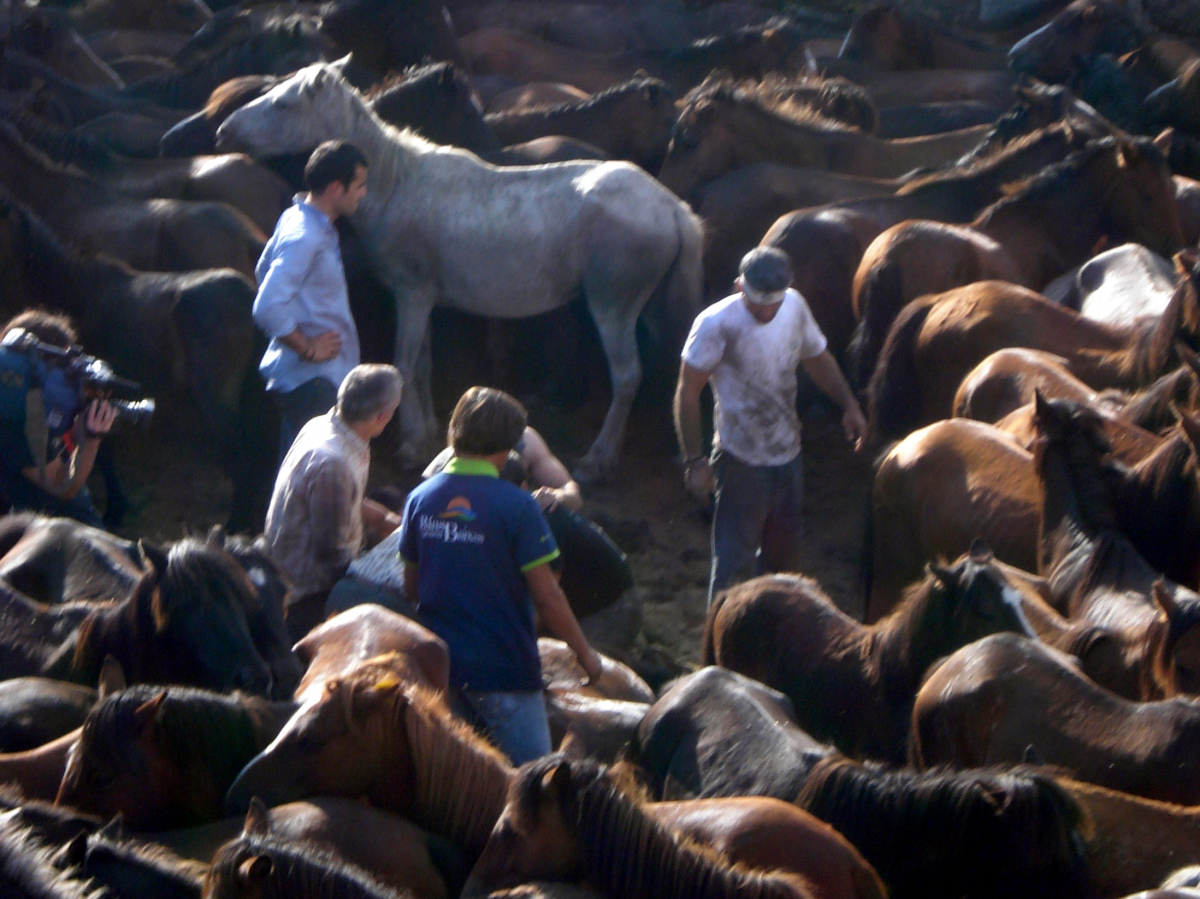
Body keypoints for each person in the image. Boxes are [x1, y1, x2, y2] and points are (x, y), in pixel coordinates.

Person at [399, 386, 604, 764]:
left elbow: (411, 585)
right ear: (509, 448)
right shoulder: (519, 506)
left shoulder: (420, 499)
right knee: (534, 788)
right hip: (504, 672)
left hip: (438, 675)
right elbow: (547, 596)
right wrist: (587, 656)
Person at [674, 247, 869, 606]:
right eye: (756, 303)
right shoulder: (715, 324)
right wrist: (696, 461)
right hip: (740, 459)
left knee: (785, 563)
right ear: (738, 287)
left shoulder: (793, 306)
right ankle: (718, 645)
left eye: (773, 304)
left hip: (788, 454)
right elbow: (687, 394)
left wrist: (849, 404)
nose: (766, 311)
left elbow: (816, 357)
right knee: (734, 565)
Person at [265, 363, 404, 641]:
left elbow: (345, 499)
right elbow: (331, 556)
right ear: (383, 417)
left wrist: (384, 519)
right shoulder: (333, 462)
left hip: (303, 574)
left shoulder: (325, 427)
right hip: (303, 597)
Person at [253, 140, 368, 464]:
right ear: (336, 188)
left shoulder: (298, 219)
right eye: (359, 186)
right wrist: (306, 347)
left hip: (314, 381)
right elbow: (267, 305)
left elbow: (263, 271)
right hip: (313, 382)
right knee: (306, 479)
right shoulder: (306, 235)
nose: (362, 193)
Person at [0, 311, 116, 528]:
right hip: (53, 527)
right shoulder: (16, 416)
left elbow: (57, 449)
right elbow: (65, 487)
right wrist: (91, 440)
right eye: (60, 364)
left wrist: (81, 423)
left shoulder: (19, 399)